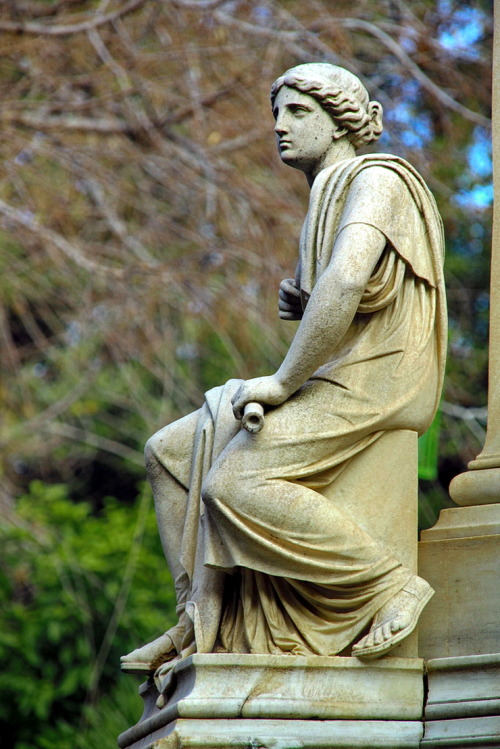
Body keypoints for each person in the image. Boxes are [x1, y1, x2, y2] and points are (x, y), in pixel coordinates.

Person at [121, 63, 446, 674]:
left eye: (298, 112)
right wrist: (304, 300)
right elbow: (346, 288)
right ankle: (196, 616)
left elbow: (349, 280)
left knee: (234, 483)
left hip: (377, 382)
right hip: (342, 374)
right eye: (277, 112)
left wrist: (280, 383)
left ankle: (386, 584)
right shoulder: (326, 194)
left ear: (341, 120)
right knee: (168, 452)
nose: (278, 126)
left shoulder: (378, 179)